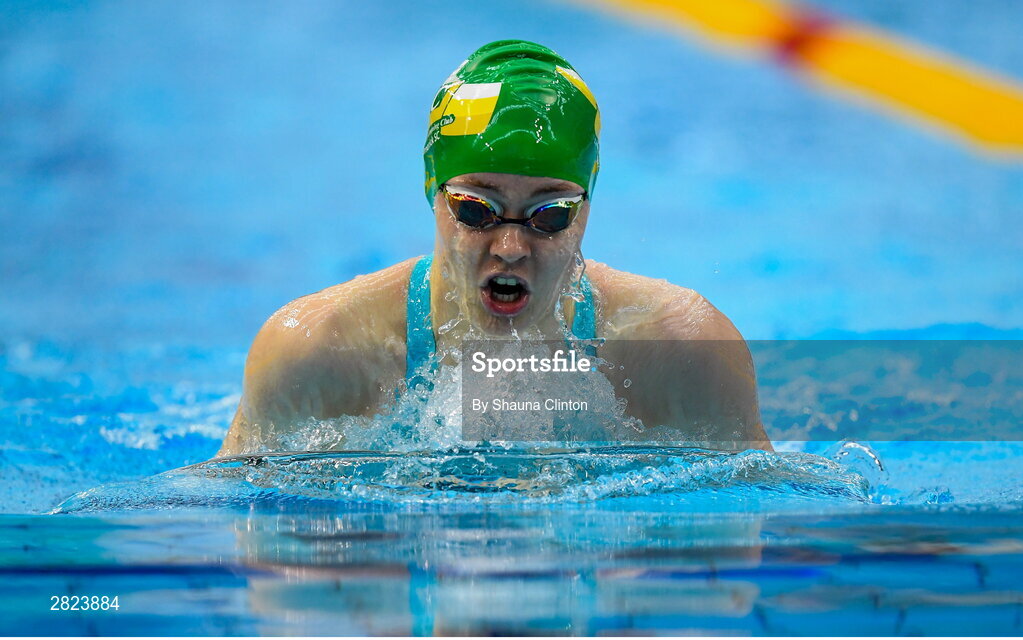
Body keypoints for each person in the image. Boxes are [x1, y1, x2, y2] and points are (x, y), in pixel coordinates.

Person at [218, 40, 771, 456]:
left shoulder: (687, 354)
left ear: (586, 211)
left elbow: (732, 577)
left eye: (549, 216)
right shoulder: (314, 354)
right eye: (477, 211)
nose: (510, 247)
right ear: (433, 194)